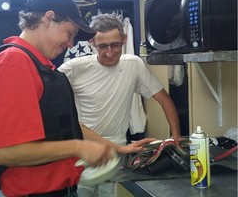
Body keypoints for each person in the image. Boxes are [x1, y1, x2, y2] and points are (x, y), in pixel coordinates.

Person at [0, 0, 155, 197]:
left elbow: (68, 126)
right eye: (70, 33)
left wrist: (115, 148)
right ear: (48, 18)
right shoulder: (14, 62)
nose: (71, 44)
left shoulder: (39, 65)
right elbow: (5, 153)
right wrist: (78, 148)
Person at [58, 13, 183, 197]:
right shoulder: (74, 68)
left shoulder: (134, 65)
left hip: (117, 151)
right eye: (102, 46)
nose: (109, 52)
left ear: (124, 40)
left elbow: (164, 98)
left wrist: (176, 137)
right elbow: (59, 111)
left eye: (115, 45)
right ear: (92, 42)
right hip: (85, 150)